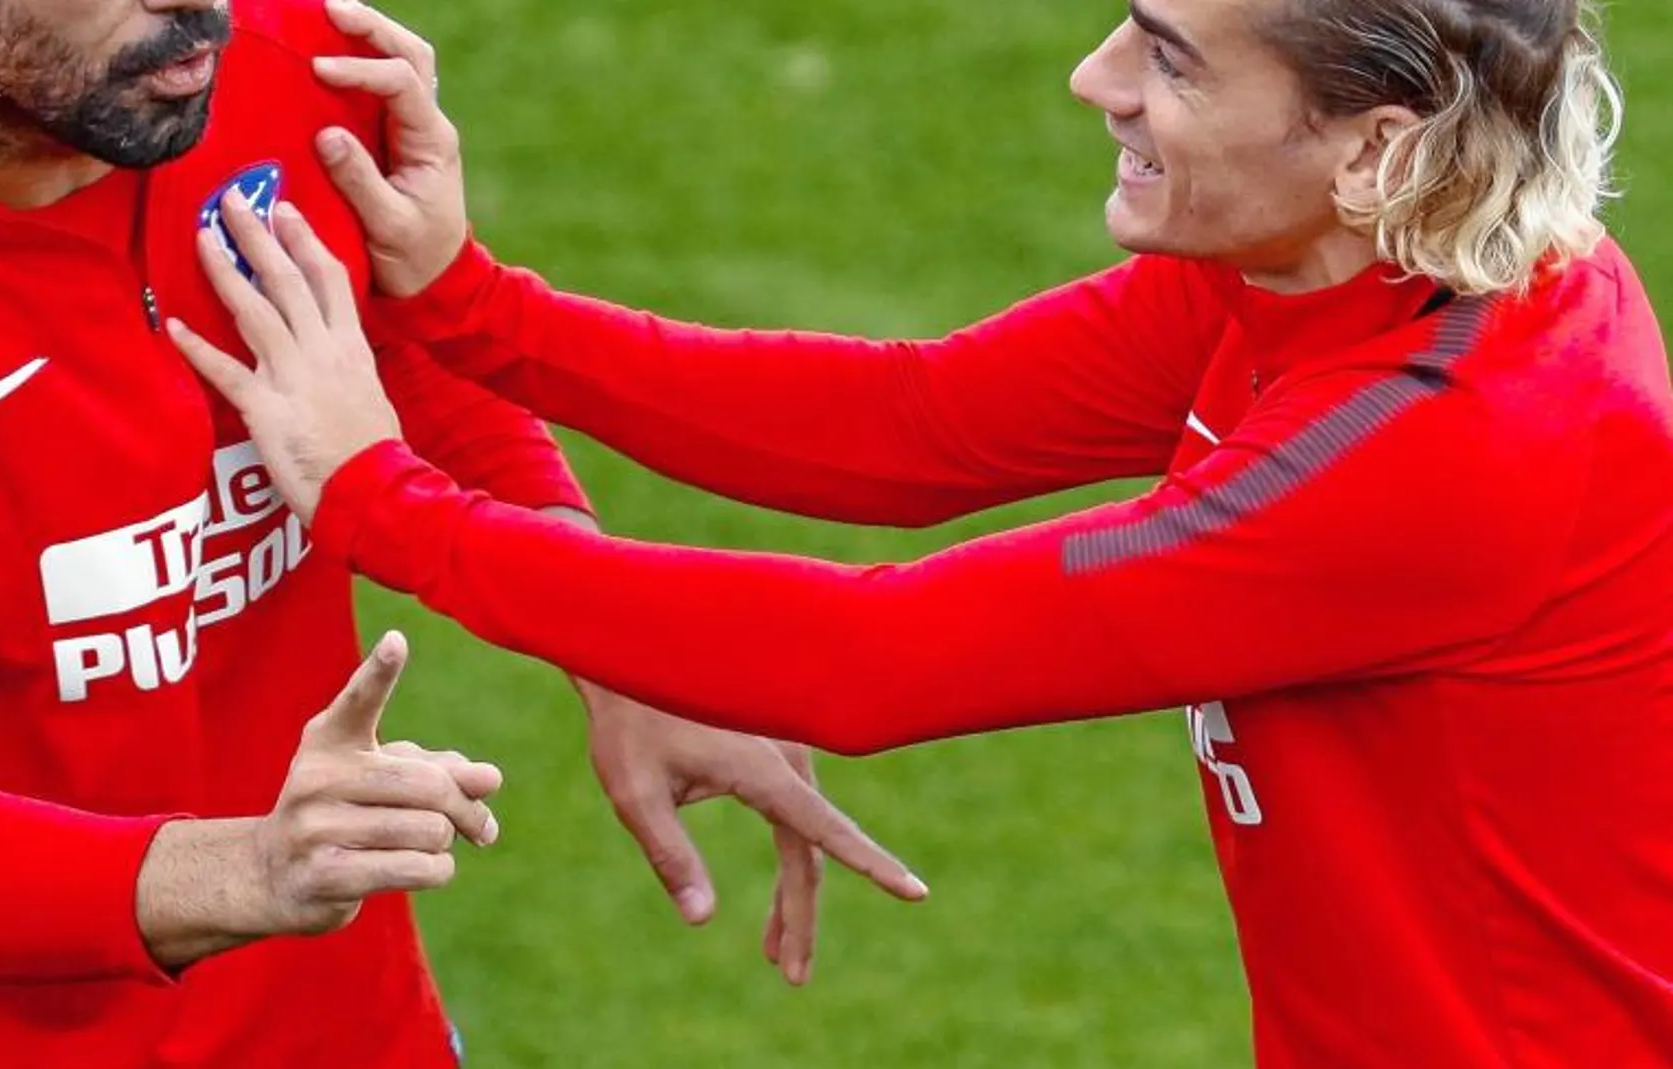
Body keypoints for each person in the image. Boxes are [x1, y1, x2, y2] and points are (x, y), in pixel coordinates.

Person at [177, 0, 1673, 1065]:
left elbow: (872, 657)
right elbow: (924, 427)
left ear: (1373, 148)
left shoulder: (1449, 446)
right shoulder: (1344, 259)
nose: (1098, 81)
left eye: (1169, 58)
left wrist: (383, 495)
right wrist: (474, 308)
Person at [0, 0, 926, 1066]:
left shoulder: (270, 67)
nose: (200, 14)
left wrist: (610, 630)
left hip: (334, 1021)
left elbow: (397, 340)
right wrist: (258, 866)